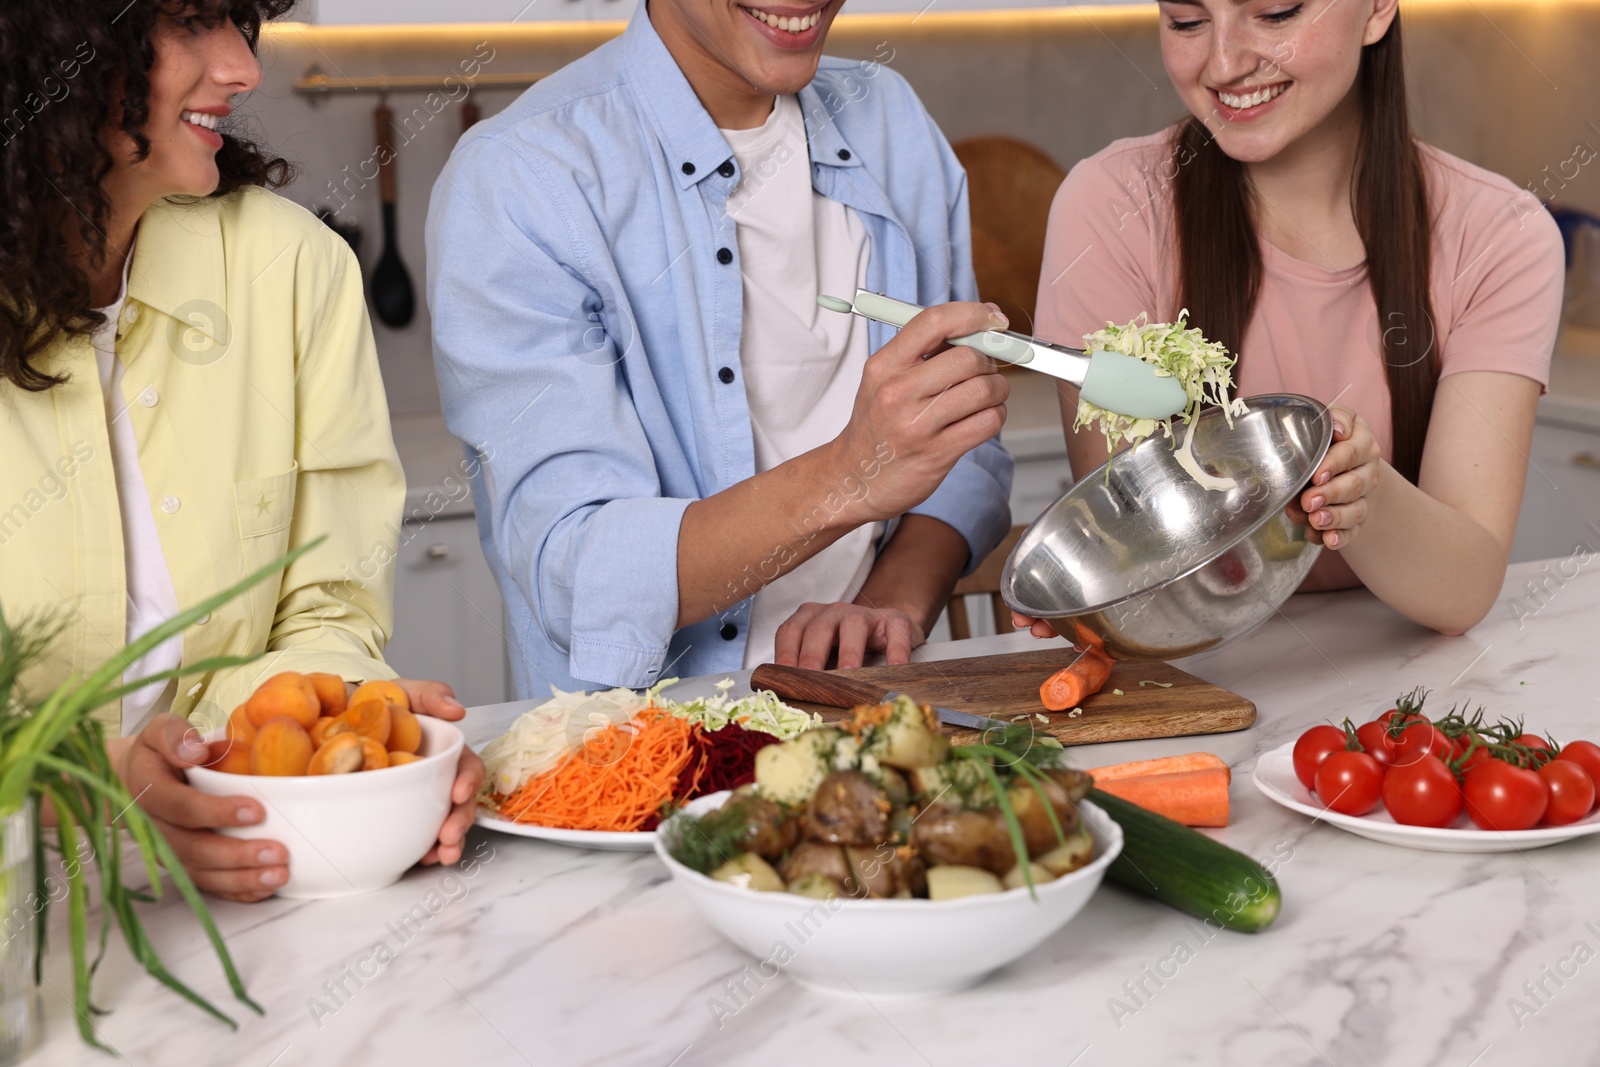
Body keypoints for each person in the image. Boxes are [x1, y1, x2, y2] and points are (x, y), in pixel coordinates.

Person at [0, 0, 484, 902]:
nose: (243, 69)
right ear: (53, 44)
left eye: (240, 24)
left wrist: (361, 750)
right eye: (189, 24)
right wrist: (93, 790)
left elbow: (325, 609)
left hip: (243, 903)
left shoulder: (293, 268)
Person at [428, 0, 1013, 694]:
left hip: (868, 718)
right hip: (643, 763)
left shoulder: (890, 120)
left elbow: (963, 452)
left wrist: (888, 601)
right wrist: (850, 475)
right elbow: (579, 573)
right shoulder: (523, 178)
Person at [1024, 0, 1563, 637]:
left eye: (1275, 13)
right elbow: (1134, 563)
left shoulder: (1499, 235)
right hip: (1194, 673)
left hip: (1399, 678)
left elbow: (1463, 590)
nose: (1223, 64)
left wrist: (1363, 493)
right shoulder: (1108, 209)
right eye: (1187, 22)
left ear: (1378, 9)